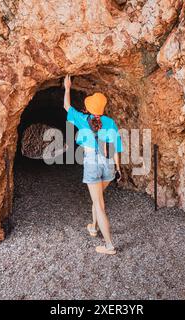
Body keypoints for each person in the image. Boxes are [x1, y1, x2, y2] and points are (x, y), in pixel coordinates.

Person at [63, 75, 123, 255]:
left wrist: (67, 88)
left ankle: (109, 245)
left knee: (99, 204)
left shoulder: (82, 118)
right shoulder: (110, 122)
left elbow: (67, 107)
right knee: (98, 199)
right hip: (108, 165)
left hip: (92, 164)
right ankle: (93, 226)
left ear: (89, 108)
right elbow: (115, 148)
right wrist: (119, 169)